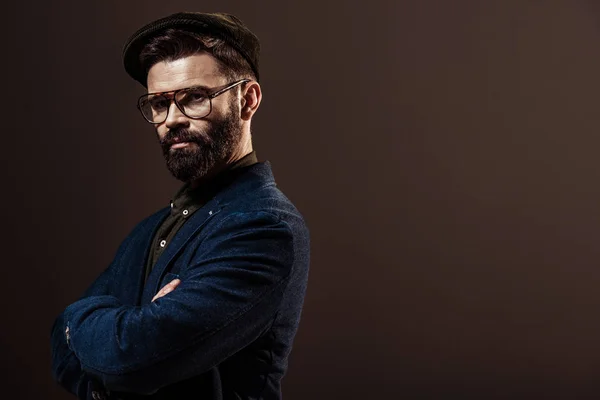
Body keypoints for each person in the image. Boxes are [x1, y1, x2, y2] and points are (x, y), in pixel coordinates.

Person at [50, 11, 310, 400]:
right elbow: (62, 347)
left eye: (194, 98)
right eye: (159, 103)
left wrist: (83, 322)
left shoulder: (264, 227)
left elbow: (131, 356)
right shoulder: (149, 230)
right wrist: (92, 332)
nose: (171, 120)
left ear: (248, 100)